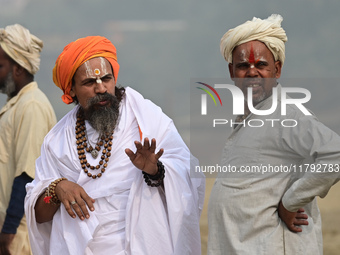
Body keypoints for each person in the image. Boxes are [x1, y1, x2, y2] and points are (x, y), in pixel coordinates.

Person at [24, 35, 205, 254]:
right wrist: (57, 188)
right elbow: (40, 216)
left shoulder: (145, 119)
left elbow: (188, 176)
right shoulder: (57, 141)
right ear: (71, 90)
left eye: (106, 79)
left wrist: (155, 171)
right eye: (89, 82)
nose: (101, 89)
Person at [207, 14, 340, 254]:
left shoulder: (287, 113)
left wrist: (291, 202)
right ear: (231, 71)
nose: (252, 72)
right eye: (243, 66)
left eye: (261, 65)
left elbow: (336, 155)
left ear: (277, 69)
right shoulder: (249, 117)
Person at [0, 24, 57, 255]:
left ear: (18, 69)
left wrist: (8, 231)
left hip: (20, 237)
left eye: (0, 65)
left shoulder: (31, 105)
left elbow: (26, 174)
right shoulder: (16, 105)